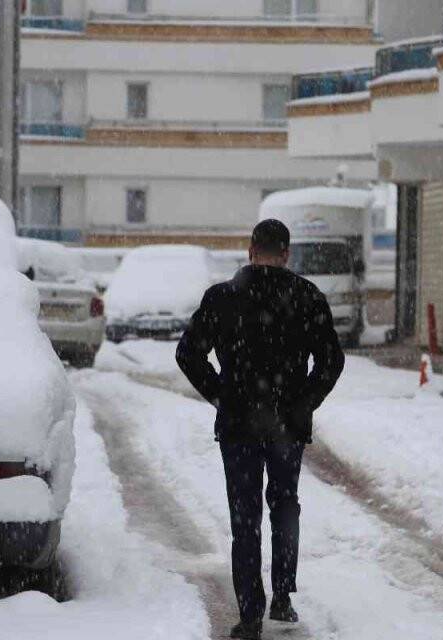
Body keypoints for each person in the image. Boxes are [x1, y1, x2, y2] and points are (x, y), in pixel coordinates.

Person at [177, 219, 345, 640]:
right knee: (285, 506)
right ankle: (283, 596)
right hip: (287, 424)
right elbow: (331, 361)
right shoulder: (307, 297)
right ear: (286, 254)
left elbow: (188, 354)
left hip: (238, 425)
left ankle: (250, 612)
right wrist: (303, 401)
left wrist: (221, 394)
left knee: (245, 516)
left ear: (251, 251)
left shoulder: (223, 297)